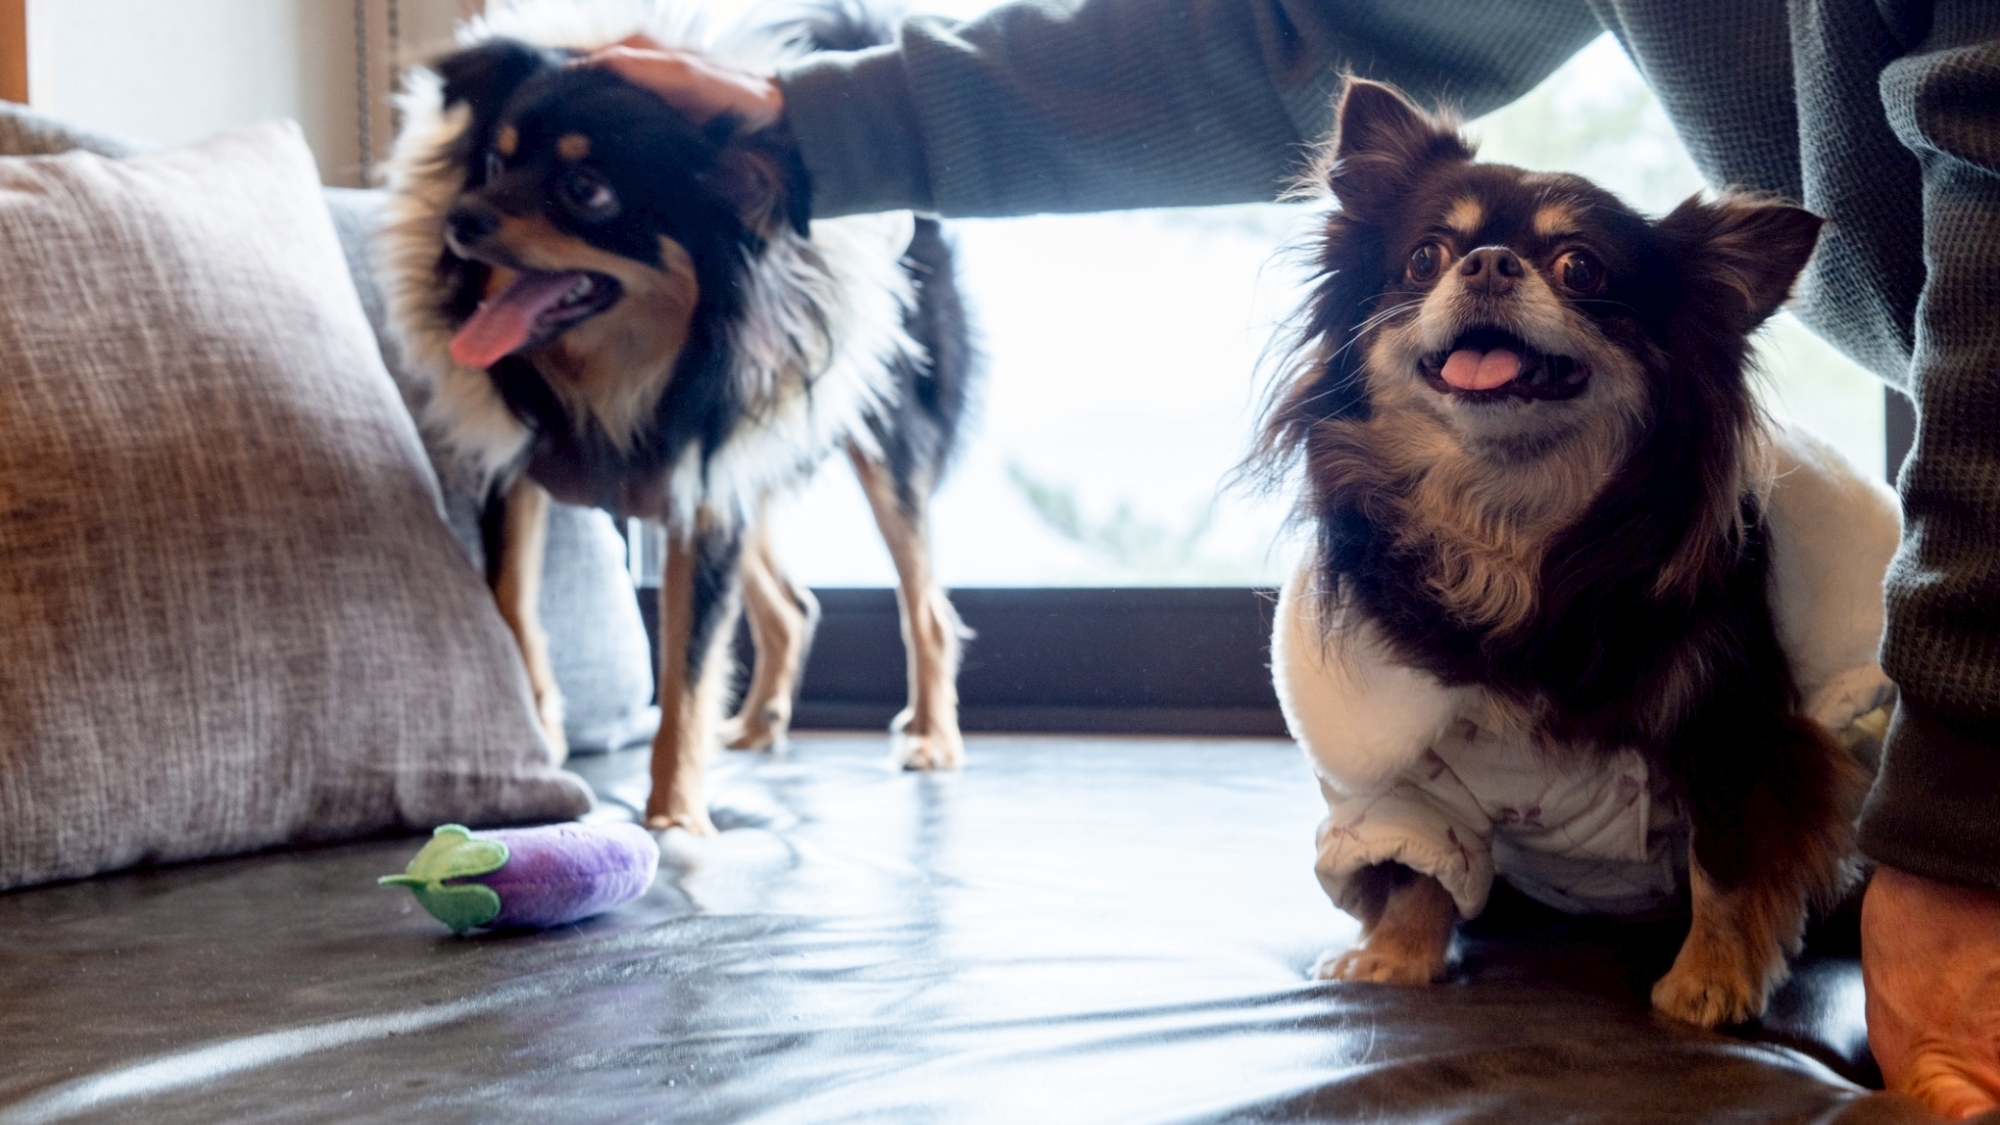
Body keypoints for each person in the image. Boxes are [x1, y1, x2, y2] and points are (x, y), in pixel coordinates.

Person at [590, 1, 2000, 1116]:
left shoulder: (1713, 551)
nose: (1489, 277)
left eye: (1568, 274)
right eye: (1439, 262)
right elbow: (1262, 38)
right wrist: (800, 127)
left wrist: (1959, 820)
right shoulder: (1366, 621)